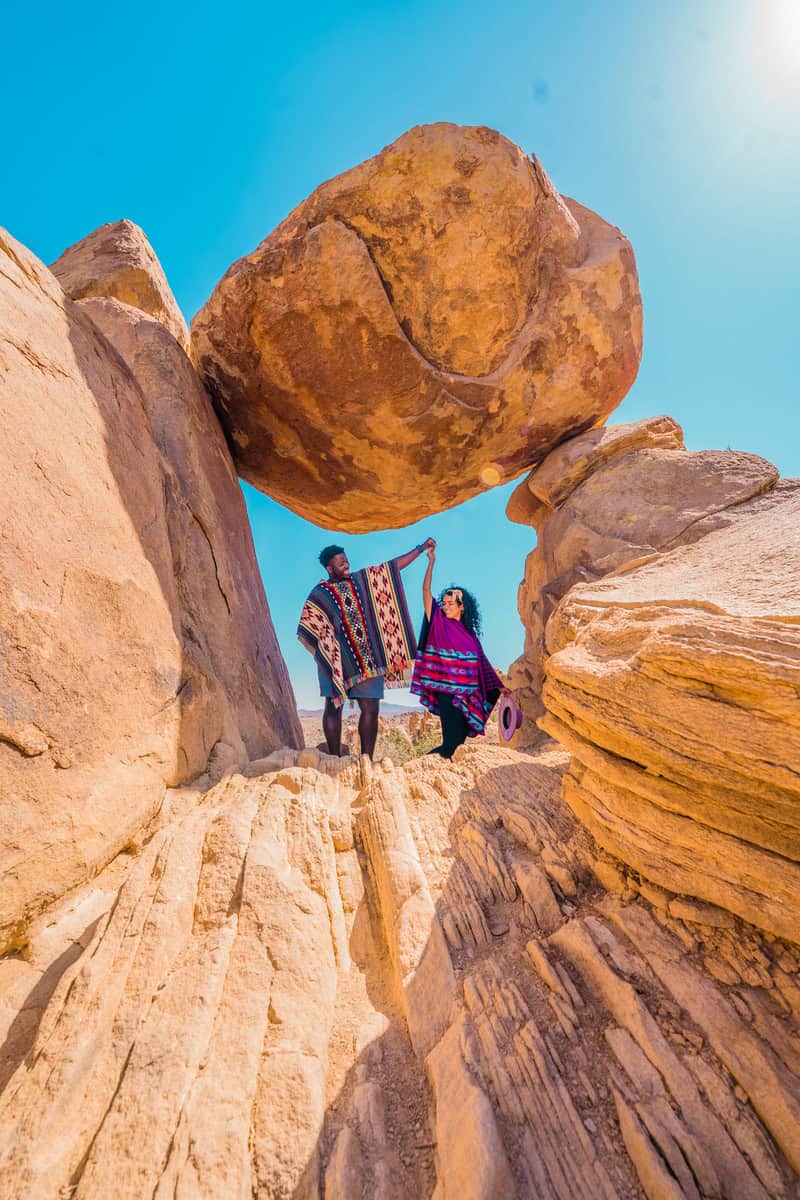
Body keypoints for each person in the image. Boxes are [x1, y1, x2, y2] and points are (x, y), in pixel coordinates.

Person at [298, 539, 434, 759]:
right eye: (340, 562)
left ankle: (366, 760)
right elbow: (308, 624)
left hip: (368, 660)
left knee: (371, 708)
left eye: (346, 560)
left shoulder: (362, 581)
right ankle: (335, 758)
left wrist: (420, 548)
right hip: (334, 661)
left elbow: (393, 567)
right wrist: (326, 648)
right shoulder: (320, 593)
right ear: (329, 568)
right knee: (333, 706)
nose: (346, 564)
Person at [410, 543, 505, 758]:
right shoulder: (438, 622)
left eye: (451, 603)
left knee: (459, 743)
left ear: (462, 607)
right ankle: (422, 766)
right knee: (450, 744)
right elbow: (425, 592)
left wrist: (500, 687)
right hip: (447, 693)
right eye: (444, 603)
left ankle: (436, 769)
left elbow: (483, 665)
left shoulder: (470, 636)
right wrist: (431, 563)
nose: (446, 606)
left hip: (467, 696)